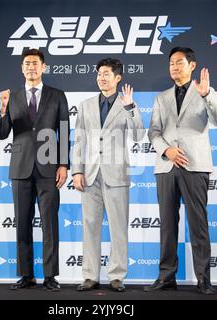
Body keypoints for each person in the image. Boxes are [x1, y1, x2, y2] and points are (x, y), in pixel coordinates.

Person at [144, 47, 217, 295]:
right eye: (171, 63)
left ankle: (203, 279)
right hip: (167, 166)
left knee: (198, 225)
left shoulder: (204, 92)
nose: (174, 67)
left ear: (192, 65)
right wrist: (166, 150)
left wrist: (207, 94)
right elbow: (153, 132)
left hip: (195, 166)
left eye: (179, 62)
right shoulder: (161, 97)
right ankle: (166, 276)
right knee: (167, 225)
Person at [0, 48, 70, 292]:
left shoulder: (57, 95)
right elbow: (2, 133)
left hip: (49, 169)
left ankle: (50, 276)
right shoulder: (12, 96)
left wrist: (63, 164)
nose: (31, 67)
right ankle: (26, 275)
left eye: (35, 63)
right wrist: (3, 109)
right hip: (21, 168)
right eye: (27, 63)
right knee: (22, 224)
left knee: (50, 223)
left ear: (44, 67)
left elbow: (65, 131)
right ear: (21, 68)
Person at [72, 58, 145, 292]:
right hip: (90, 175)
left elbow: (138, 135)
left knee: (118, 228)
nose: (101, 78)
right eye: (99, 74)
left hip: (117, 175)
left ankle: (116, 275)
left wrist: (130, 108)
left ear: (118, 77)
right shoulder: (85, 105)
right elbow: (80, 140)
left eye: (106, 74)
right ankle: (90, 275)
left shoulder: (127, 104)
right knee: (90, 226)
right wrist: (77, 171)